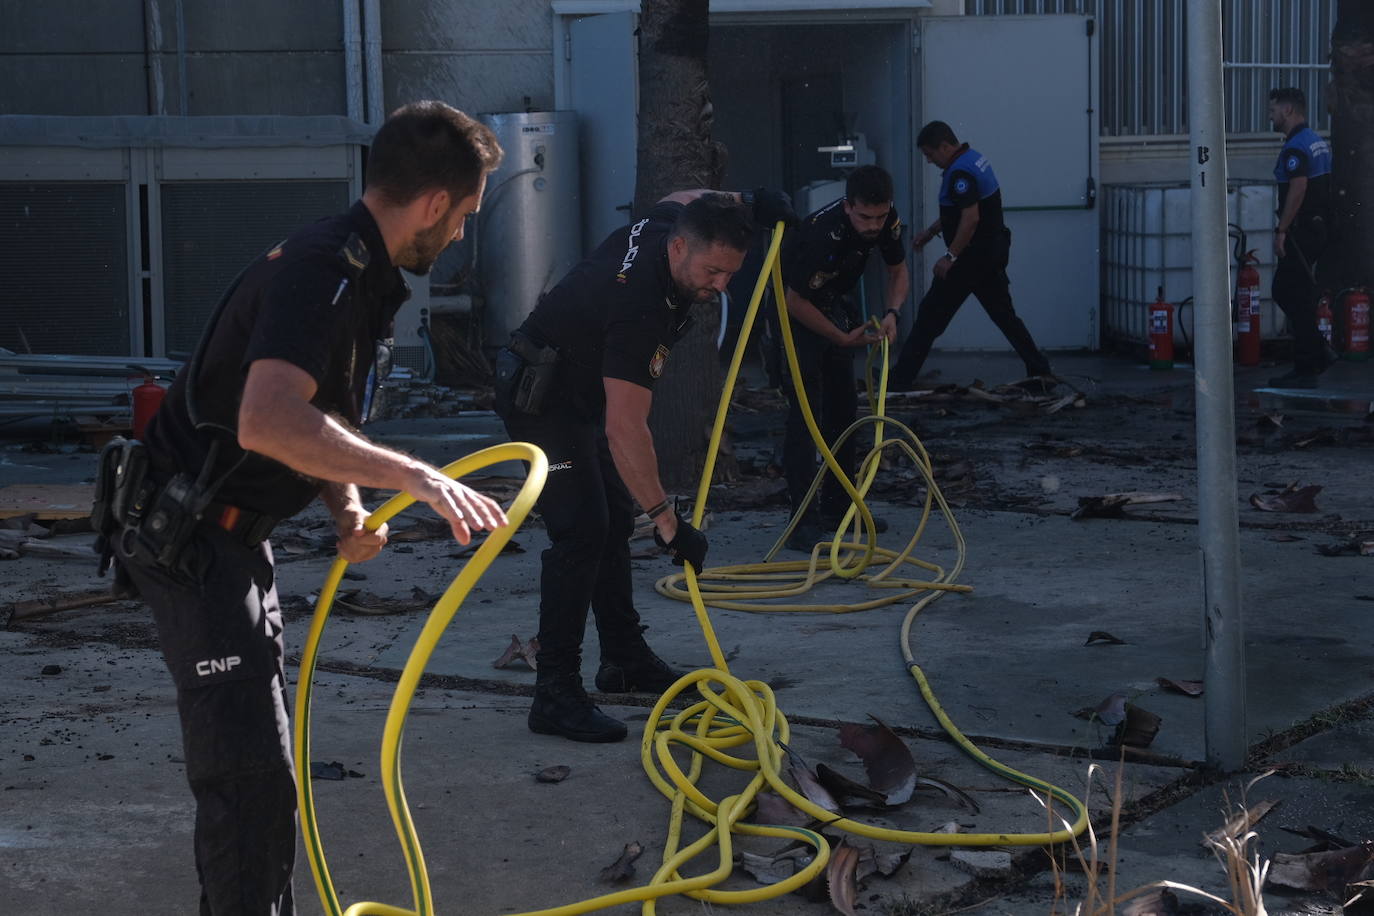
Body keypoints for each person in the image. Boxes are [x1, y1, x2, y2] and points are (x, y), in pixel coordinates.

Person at [101, 101, 509, 915]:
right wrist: (420, 479)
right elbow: (269, 418)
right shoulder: (324, 270)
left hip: (232, 542)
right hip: (192, 543)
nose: (462, 233)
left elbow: (323, 415)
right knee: (246, 782)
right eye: (465, 215)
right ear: (434, 205)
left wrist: (349, 510)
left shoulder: (360, 272)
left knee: (263, 770)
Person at [494, 187, 795, 743]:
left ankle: (624, 658)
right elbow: (626, 428)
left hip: (576, 396)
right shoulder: (642, 307)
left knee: (606, 517)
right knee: (582, 532)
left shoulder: (669, 225)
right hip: (540, 404)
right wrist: (667, 521)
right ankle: (554, 693)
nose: (721, 286)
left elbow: (683, 194)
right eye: (712, 271)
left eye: (731, 274)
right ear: (679, 248)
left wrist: (751, 201)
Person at [778, 165, 909, 550]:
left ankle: (839, 508)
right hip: (795, 314)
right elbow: (793, 300)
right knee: (805, 417)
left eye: (880, 216)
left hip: (834, 306)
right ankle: (802, 520)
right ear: (848, 206)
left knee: (843, 411)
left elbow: (898, 271)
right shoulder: (823, 233)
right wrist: (839, 338)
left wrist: (892, 313)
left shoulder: (888, 221)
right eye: (865, 217)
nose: (874, 226)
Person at [889, 120, 1052, 390]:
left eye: (930, 154)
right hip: (990, 254)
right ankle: (1040, 370)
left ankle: (899, 380)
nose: (929, 161)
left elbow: (970, 218)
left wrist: (950, 257)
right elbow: (962, 210)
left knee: (929, 317)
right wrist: (931, 232)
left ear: (944, 146)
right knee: (1004, 316)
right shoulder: (973, 160)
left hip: (969, 261)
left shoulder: (959, 174)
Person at [1267, 87, 1334, 388]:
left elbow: (1299, 188)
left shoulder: (1295, 146)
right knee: (1301, 294)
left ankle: (1309, 365)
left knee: (1286, 291)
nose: (1271, 115)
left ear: (1288, 111)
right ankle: (1317, 355)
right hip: (1318, 227)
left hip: (1301, 231)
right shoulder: (1316, 141)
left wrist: (1282, 230)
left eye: (1273, 110)